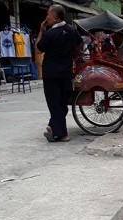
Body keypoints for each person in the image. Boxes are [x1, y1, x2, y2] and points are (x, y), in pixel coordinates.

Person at [36, 4, 83, 142]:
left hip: (51, 74)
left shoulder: (49, 34)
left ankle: (61, 134)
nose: (46, 18)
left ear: (55, 18)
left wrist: (41, 30)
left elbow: (38, 49)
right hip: (66, 73)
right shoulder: (71, 30)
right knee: (62, 104)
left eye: (48, 15)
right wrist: (70, 54)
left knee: (55, 104)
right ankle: (53, 126)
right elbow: (79, 45)